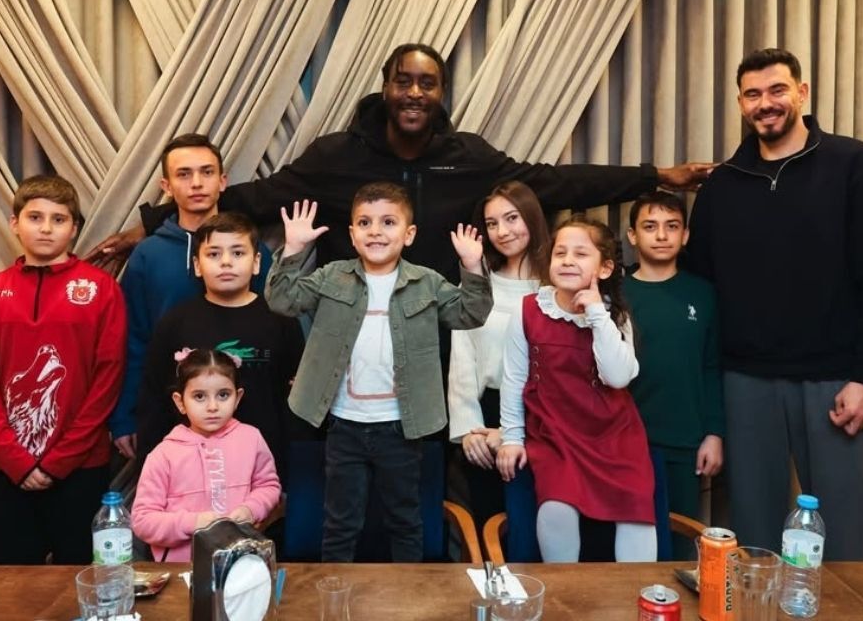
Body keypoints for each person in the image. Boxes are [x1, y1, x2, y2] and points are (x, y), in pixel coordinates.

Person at [86, 44, 713, 281]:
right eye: (403, 81)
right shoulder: (337, 155)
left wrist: (658, 176)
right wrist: (151, 225)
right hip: (351, 320)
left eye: (427, 83)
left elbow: (554, 183)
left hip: (441, 319)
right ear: (385, 87)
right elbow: (252, 198)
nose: (415, 93)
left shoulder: (468, 156)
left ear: (441, 94)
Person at [686, 48, 863, 561]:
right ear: (741, 104)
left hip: (836, 380)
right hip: (745, 381)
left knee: (848, 539)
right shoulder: (721, 186)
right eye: (753, 94)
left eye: (777, 90)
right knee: (754, 539)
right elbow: (699, 288)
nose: (766, 103)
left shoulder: (857, 165)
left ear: (802, 93)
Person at [265, 183, 492, 562]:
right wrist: (293, 250)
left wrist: (471, 266)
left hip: (401, 428)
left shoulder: (426, 281)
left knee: (405, 520)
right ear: (352, 234)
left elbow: (471, 313)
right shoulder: (332, 276)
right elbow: (282, 300)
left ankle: (407, 594)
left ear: (409, 234)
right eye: (365, 223)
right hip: (344, 426)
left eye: (388, 222)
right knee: (340, 523)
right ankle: (336, 592)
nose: (375, 231)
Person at [0, 175, 127, 565]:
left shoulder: (101, 290)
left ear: (74, 228)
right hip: (4, 467)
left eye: (59, 219)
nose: (46, 228)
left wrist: (60, 461)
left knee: (83, 582)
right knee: (4, 584)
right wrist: (15, 459)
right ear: (14, 223)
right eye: (35, 217)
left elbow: (107, 379)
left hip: (80, 467)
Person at [496, 215, 656, 563]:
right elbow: (514, 378)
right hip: (555, 433)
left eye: (581, 254)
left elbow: (618, 377)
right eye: (560, 253)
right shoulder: (529, 310)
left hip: (615, 435)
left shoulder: (614, 316)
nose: (567, 260)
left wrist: (597, 313)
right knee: (557, 508)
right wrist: (511, 437)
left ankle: (638, 591)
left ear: (605, 268)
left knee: (636, 514)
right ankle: (563, 591)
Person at [112, 134, 273, 460]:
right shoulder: (148, 254)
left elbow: (271, 325)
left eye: (207, 172)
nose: (197, 183)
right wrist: (124, 415)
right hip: (168, 408)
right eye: (184, 174)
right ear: (166, 186)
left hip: (245, 407)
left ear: (223, 181)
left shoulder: (251, 252)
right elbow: (133, 338)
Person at [135, 212, 303, 474]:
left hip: (264, 468)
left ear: (257, 262)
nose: (226, 262)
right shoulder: (174, 323)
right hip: (189, 470)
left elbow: (295, 399)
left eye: (238, 253)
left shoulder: (282, 321)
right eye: (213, 254)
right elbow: (154, 401)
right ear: (197, 265)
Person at [446, 181, 548, 559]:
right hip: (484, 420)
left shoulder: (556, 284)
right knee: (488, 533)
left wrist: (516, 432)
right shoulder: (478, 283)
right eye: (492, 224)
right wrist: (468, 430)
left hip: (542, 418)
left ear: (532, 218)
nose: (502, 231)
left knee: (537, 532)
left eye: (512, 218)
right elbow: (462, 359)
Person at [622, 190, 723, 559]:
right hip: (624, 441)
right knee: (628, 542)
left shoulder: (704, 293)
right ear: (632, 236)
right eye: (650, 226)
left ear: (685, 235)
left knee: (679, 543)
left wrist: (714, 434)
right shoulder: (614, 294)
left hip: (684, 441)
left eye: (672, 226)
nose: (662, 235)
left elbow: (711, 366)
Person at [132, 348, 282, 562]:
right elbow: (142, 520)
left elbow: (268, 486)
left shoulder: (252, 438)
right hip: (181, 569)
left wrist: (251, 509)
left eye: (223, 395)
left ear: (237, 397)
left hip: (242, 564)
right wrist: (193, 523)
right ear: (180, 402)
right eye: (199, 396)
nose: (213, 406)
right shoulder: (163, 455)